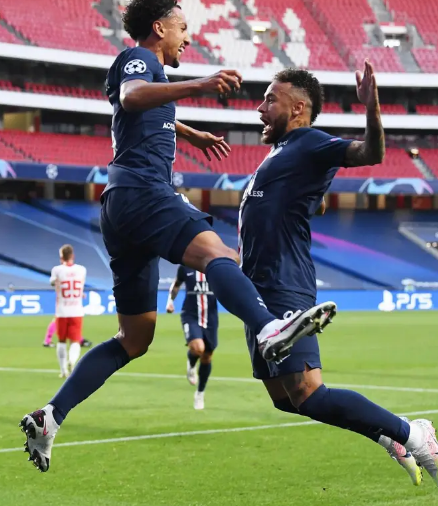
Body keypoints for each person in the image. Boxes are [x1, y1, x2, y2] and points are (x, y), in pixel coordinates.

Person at [19, 0, 335, 473]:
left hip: (121, 206)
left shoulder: (149, 74)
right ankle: (270, 328)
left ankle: (52, 415)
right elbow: (132, 98)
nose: (187, 37)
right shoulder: (141, 59)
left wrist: (188, 133)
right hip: (144, 190)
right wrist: (205, 85)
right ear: (158, 27)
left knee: (134, 337)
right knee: (217, 253)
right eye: (183, 28)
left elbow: (138, 113)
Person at [236, 65, 438, 488]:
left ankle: (413, 432)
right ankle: (391, 437)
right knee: (285, 400)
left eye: (269, 100)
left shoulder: (309, 141)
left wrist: (371, 107)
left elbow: (370, 153)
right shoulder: (282, 152)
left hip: (284, 282)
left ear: (298, 108)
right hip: (257, 290)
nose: (260, 109)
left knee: (309, 392)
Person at [166, 265, 217, 410]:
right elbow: (176, 284)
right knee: (198, 348)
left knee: (207, 356)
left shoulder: (215, 266)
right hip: (190, 315)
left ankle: (200, 393)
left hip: (211, 317)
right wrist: (170, 301)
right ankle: (191, 363)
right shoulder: (185, 267)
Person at [50, 245, 87, 378]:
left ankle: (63, 370)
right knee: (75, 341)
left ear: (61, 257)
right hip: (77, 310)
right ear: (73, 256)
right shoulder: (82, 269)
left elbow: (53, 283)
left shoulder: (57, 270)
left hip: (62, 311)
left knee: (61, 341)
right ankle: (72, 360)